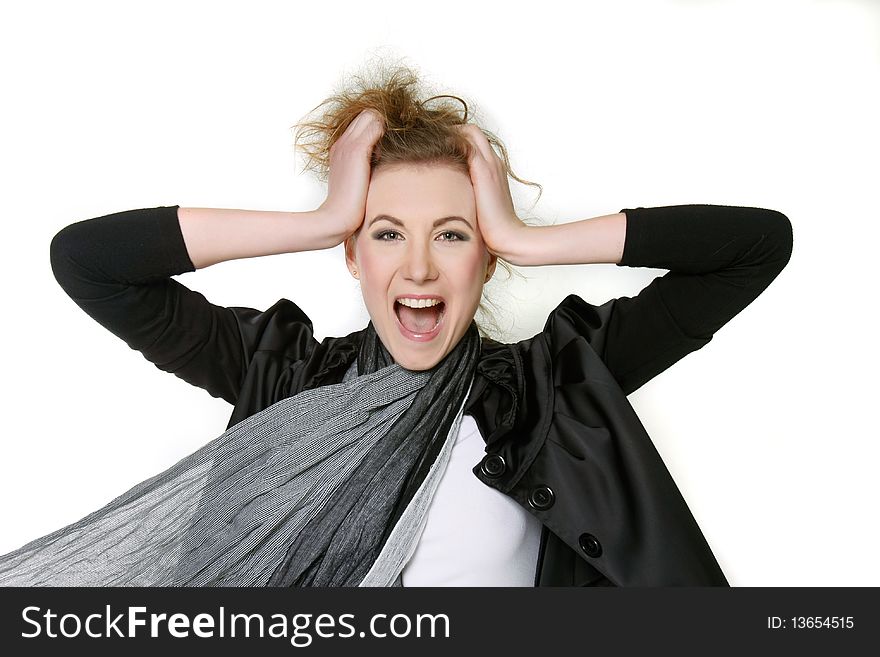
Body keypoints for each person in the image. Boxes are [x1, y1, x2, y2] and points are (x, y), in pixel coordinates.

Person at [0, 65, 792, 587]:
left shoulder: (559, 383)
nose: (418, 268)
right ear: (354, 256)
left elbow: (757, 247)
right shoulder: (280, 375)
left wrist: (528, 237)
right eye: (385, 233)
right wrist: (323, 217)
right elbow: (87, 261)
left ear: (484, 261)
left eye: (452, 234)